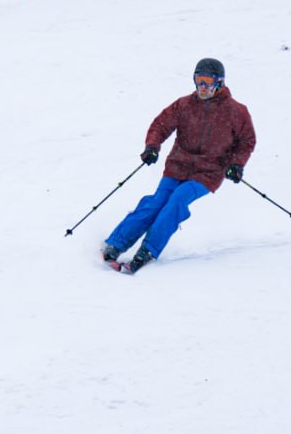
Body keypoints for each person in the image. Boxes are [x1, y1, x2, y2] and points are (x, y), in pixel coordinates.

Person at [102, 57, 256, 274]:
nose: (202, 87)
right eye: (198, 80)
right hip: (178, 165)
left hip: (208, 173)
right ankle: (116, 243)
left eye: (207, 81)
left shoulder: (236, 111)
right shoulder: (184, 105)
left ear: (219, 83)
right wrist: (152, 146)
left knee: (177, 200)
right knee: (157, 202)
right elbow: (161, 125)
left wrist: (236, 164)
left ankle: (147, 250)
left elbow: (247, 141)